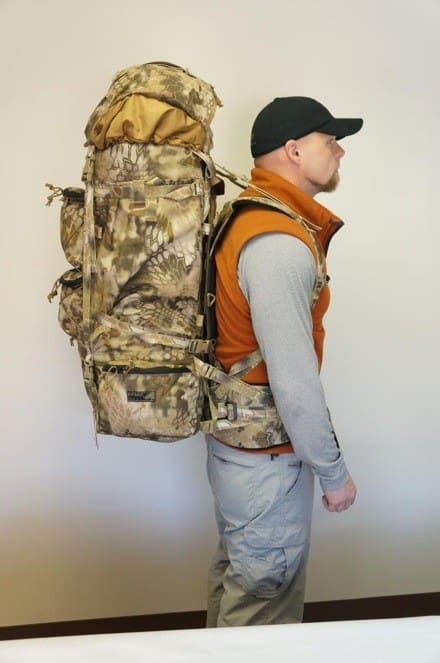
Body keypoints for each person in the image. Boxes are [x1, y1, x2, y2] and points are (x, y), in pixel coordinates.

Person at [206, 96, 363, 627]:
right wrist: (334, 473)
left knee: (242, 591)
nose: (340, 151)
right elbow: (293, 381)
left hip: (243, 454)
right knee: (262, 614)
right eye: (330, 140)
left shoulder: (249, 218)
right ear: (294, 150)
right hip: (267, 465)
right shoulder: (277, 241)